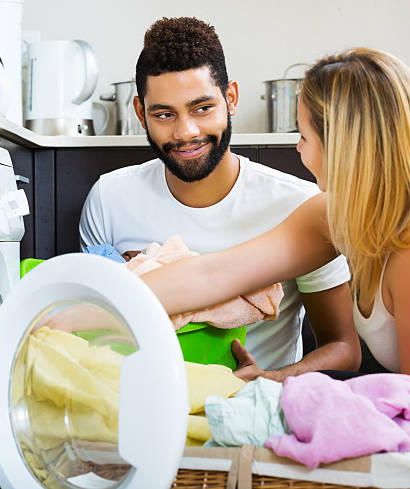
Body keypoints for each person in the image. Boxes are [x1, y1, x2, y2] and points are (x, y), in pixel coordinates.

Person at [141, 47, 410, 486]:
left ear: (344, 147)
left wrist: (289, 398)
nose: (299, 151)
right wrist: (89, 299)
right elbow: (214, 275)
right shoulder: (337, 215)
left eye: (303, 136)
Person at [79, 17, 360, 381]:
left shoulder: (300, 204)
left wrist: (270, 380)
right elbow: (98, 334)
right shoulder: (109, 198)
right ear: (140, 113)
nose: (186, 132)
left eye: (202, 108)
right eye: (164, 114)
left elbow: (344, 349)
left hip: (263, 416)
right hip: (143, 402)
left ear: (230, 99)